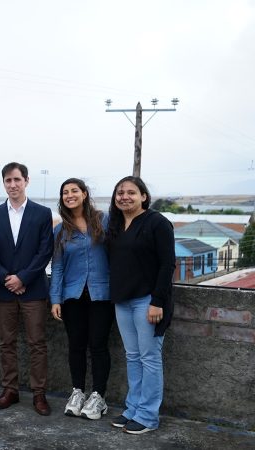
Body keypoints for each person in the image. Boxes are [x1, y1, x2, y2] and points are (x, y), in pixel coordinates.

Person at [0, 162, 54, 416]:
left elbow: (45, 251)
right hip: (4, 291)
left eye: (17, 180)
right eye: (8, 181)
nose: (12, 185)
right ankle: (10, 390)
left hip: (33, 290)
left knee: (37, 343)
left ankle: (39, 394)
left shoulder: (42, 213)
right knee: (6, 343)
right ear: (3, 183)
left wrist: (22, 278)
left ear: (26, 181)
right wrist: (6, 279)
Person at [106, 176, 175, 435]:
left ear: (144, 196)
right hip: (122, 301)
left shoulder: (157, 223)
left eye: (131, 192)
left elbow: (167, 265)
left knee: (149, 358)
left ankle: (148, 415)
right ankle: (133, 408)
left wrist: (157, 302)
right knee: (133, 357)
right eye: (120, 192)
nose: (124, 196)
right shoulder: (115, 224)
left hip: (148, 301)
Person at [49, 178, 114, 420]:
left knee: (98, 345)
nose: (70, 195)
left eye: (74, 191)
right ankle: (77, 392)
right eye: (65, 192)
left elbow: (117, 254)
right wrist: (55, 298)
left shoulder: (103, 220)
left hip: (102, 294)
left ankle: (98, 396)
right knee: (75, 345)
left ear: (85, 194)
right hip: (72, 295)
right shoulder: (60, 230)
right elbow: (56, 267)